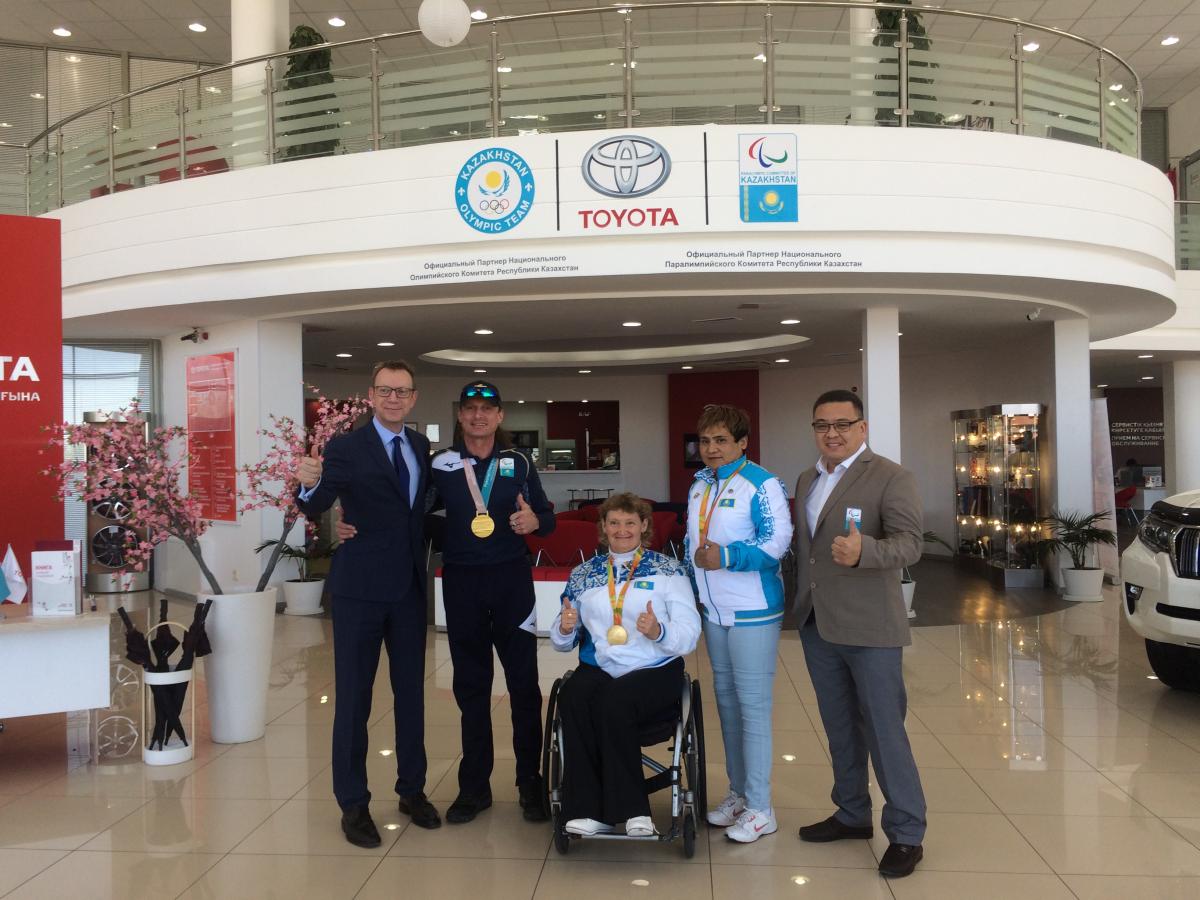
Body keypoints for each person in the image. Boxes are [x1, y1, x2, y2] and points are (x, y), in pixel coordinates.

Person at [343, 380, 556, 824]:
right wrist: (352, 521)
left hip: (512, 583)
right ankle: (474, 787)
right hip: (460, 585)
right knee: (471, 688)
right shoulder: (440, 462)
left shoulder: (518, 462)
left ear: (500, 416)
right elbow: (407, 512)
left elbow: (548, 517)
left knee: (523, 687)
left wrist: (536, 519)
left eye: (488, 409)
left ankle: (529, 784)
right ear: (460, 417)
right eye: (470, 409)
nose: (478, 416)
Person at [294, 360, 440, 848]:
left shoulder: (420, 446)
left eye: (402, 391)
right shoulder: (346, 446)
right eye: (385, 390)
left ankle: (412, 790)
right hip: (359, 591)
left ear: (413, 398)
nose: (394, 398)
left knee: (411, 698)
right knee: (354, 701)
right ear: (371, 396)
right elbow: (317, 504)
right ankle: (353, 803)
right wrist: (309, 482)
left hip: (409, 592)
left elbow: (420, 512)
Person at [793, 388, 926, 879]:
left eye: (842, 424)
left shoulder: (892, 476)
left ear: (862, 428)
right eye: (822, 425)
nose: (832, 433)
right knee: (840, 727)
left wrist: (866, 551)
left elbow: (910, 544)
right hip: (817, 622)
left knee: (885, 730)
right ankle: (852, 813)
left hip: (870, 627)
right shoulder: (808, 477)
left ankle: (908, 833)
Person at [550, 493, 701, 836]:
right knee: (573, 695)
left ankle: (636, 812)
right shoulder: (583, 574)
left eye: (630, 523)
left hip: (655, 669)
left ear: (644, 526)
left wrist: (659, 630)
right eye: (614, 523)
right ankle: (586, 810)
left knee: (615, 701)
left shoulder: (668, 570)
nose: (622, 530)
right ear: (603, 528)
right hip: (601, 667)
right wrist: (563, 627)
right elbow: (563, 640)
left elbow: (690, 633)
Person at [684, 404, 793, 843]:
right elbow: (695, 543)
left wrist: (726, 557)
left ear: (743, 442)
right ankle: (739, 794)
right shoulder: (699, 486)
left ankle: (762, 807)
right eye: (705, 441)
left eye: (721, 440)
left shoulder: (761, 484)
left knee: (752, 707)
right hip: (714, 611)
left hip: (753, 609)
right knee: (726, 705)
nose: (711, 449)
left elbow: (777, 543)